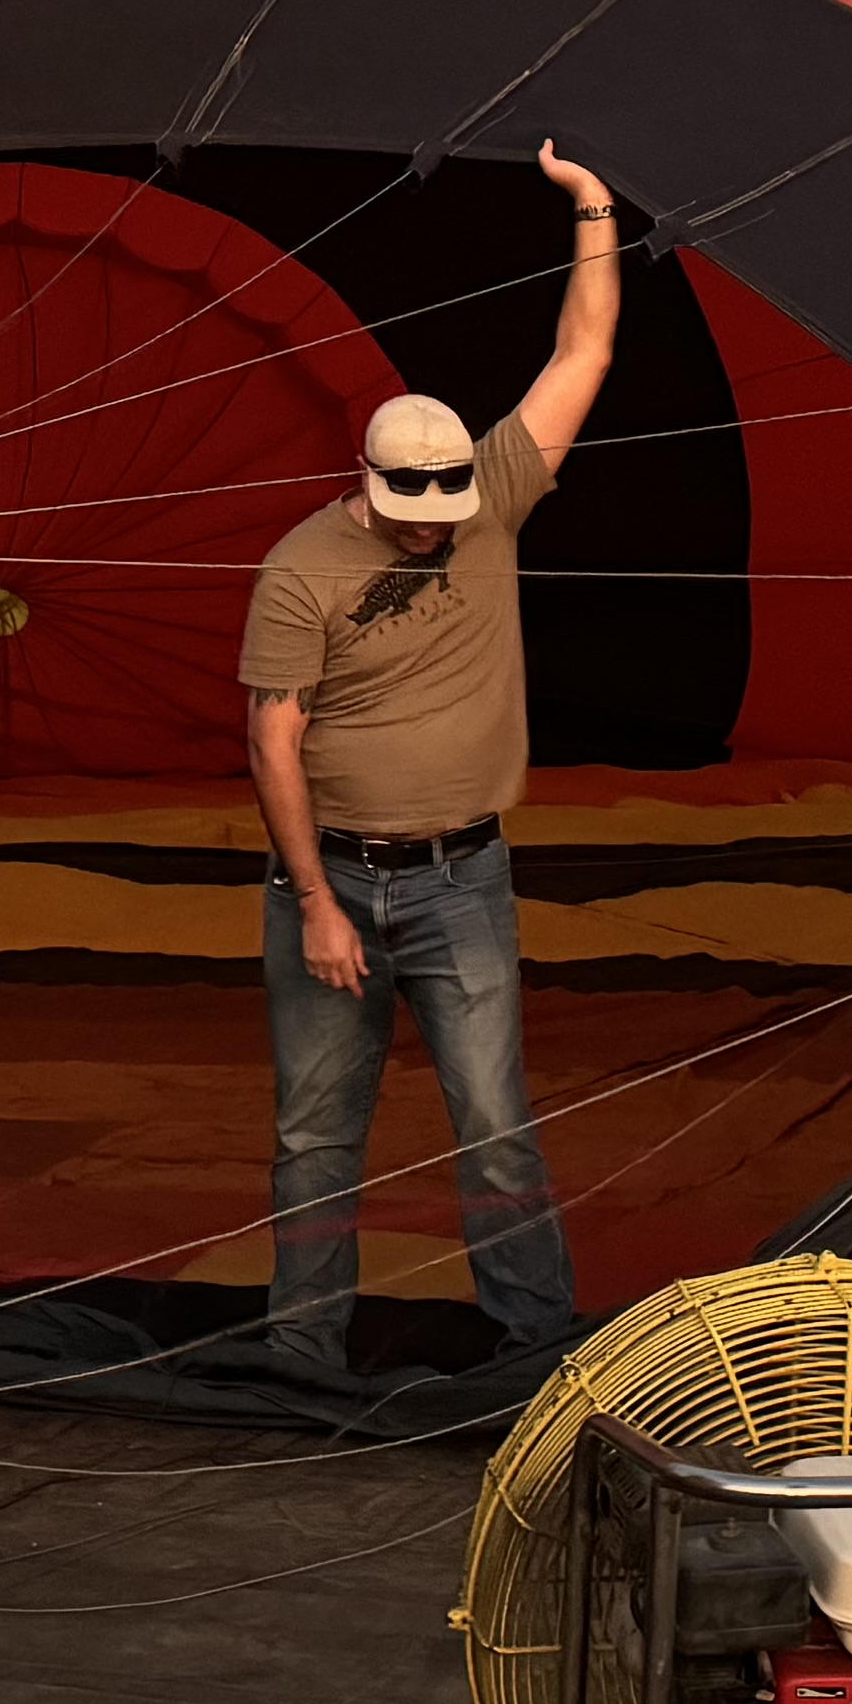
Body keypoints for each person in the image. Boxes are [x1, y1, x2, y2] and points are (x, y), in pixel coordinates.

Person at [236, 142, 628, 1381]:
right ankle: (303, 1349)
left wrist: (592, 207)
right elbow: (272, 737)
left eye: (448, 509)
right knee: (316, 1135)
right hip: (333, 879)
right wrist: (316, 903)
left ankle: (537, 1345)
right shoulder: (302, 569)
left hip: (463, 879)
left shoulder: (493, 493)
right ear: (369, 483)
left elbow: (582, 354)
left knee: (496, 1126)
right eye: (415, 514)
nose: (435, 529)